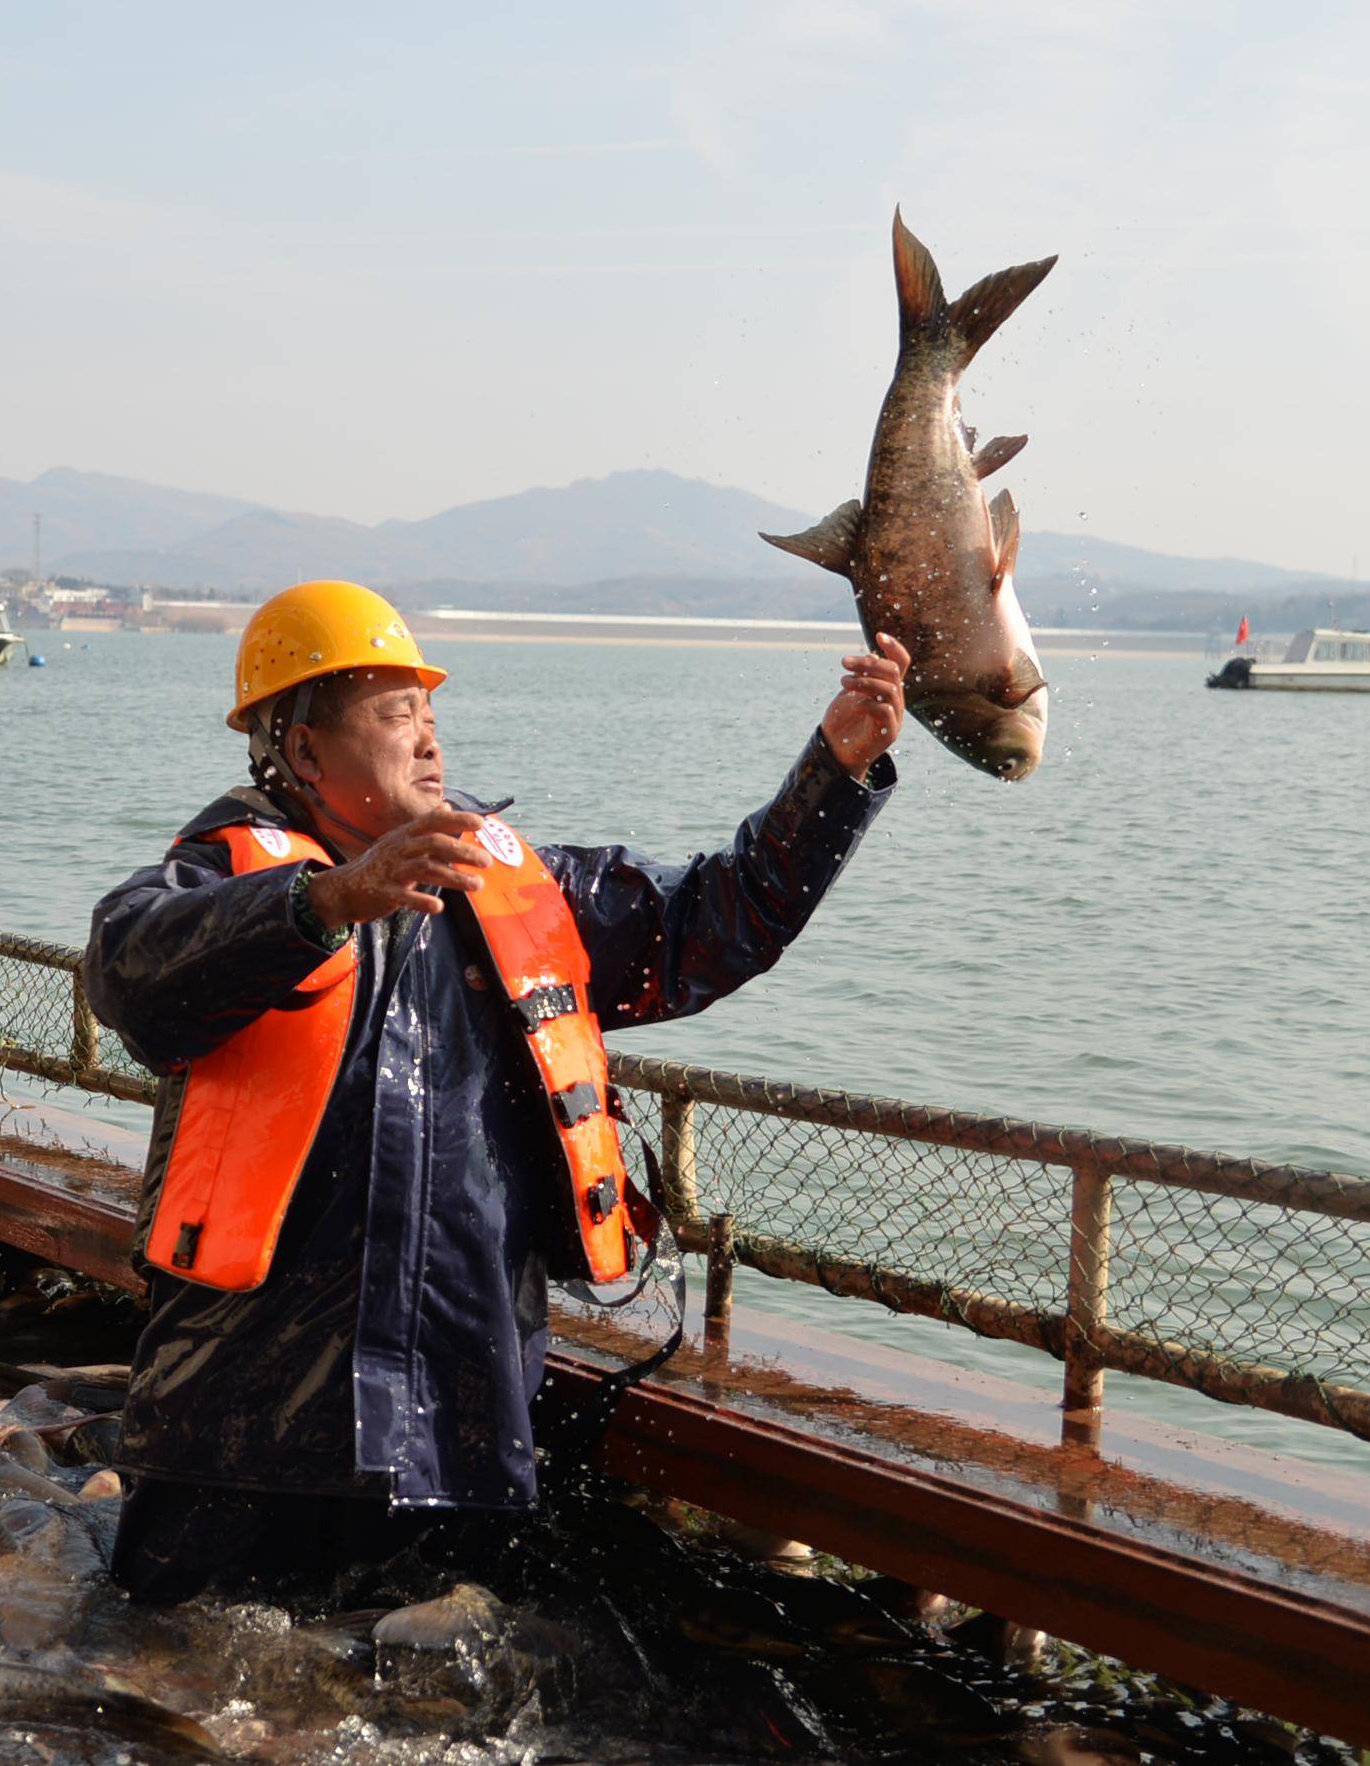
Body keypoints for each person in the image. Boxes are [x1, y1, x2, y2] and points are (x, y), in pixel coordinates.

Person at [82, 578, 911, 1606]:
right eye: (395, 715)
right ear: (302, 751)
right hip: (240, 1434)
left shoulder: (518, 885)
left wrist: (833, 771)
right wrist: (332, 898)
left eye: (431, 714)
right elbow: (126, 973)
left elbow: (714, 921)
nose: (429, 740)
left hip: (455, 1431)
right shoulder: (218, 877)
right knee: (169, 1692)